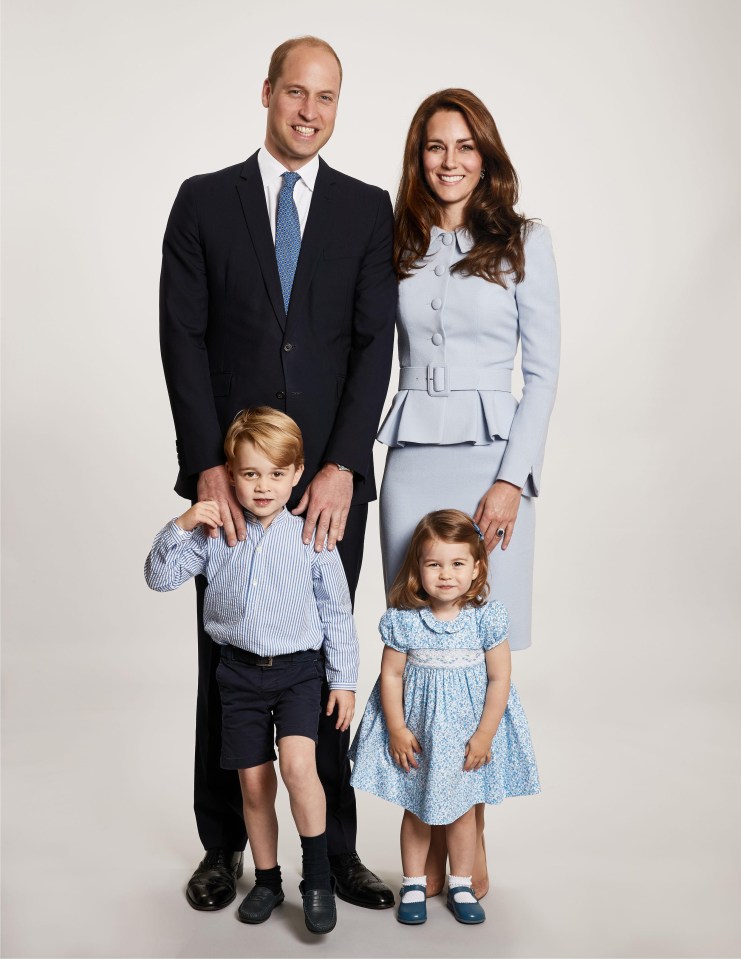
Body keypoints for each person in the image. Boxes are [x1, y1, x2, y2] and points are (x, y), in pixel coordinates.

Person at [159, 36, 396, 911]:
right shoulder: (203, 202)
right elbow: (180, 338)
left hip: (325, 488)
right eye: (295, 92)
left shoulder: (368, 211)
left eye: (326, 97)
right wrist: (206, 470)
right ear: (267, 94)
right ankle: (224, 844)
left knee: (324, 661)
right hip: (235, 480)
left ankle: (331, 850)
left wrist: (341, 464)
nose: (309, 111)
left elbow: (376, 345)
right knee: (225, 662)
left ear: (338, 106)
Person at [377, 88, 560, 898]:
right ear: (418, 159)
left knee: (479, 651)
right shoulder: (396, 241)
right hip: (412, 456)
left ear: (485, 155)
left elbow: (545, 371)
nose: (448, 161)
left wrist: (510, 480)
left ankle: (470, 838)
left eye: (463, 146)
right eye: (432, 147)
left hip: (491, 460)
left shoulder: (525, 241)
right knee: (421, 655)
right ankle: (426, 851)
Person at [145, 407, 358, 934]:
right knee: (254, 784)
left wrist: (345, 680)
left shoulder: (311, 538)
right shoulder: (217, 534)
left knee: (298, 769)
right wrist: (183, 523)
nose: (263, 487)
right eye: (249, 474)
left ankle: (318, 877)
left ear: (297, 472)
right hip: (237, 674)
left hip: (299, 674)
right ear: (231, 474)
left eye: (276, 474)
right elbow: (158, 577)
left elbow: (338, 613)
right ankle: (267, 879)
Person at [349, 510, 539, 925]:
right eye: (434, 564)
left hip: (467, 738)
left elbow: (499, 677)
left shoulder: (486, 619)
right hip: (420, 737)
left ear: (476, 568)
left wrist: (486, 734)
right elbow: (391, 675)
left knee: (463, 811)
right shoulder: (404, 620)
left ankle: (461, 882)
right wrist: (397, 729)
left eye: (457, 564)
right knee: (416, 810)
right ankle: (414, 882)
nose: (446, 574)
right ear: (418, 569)